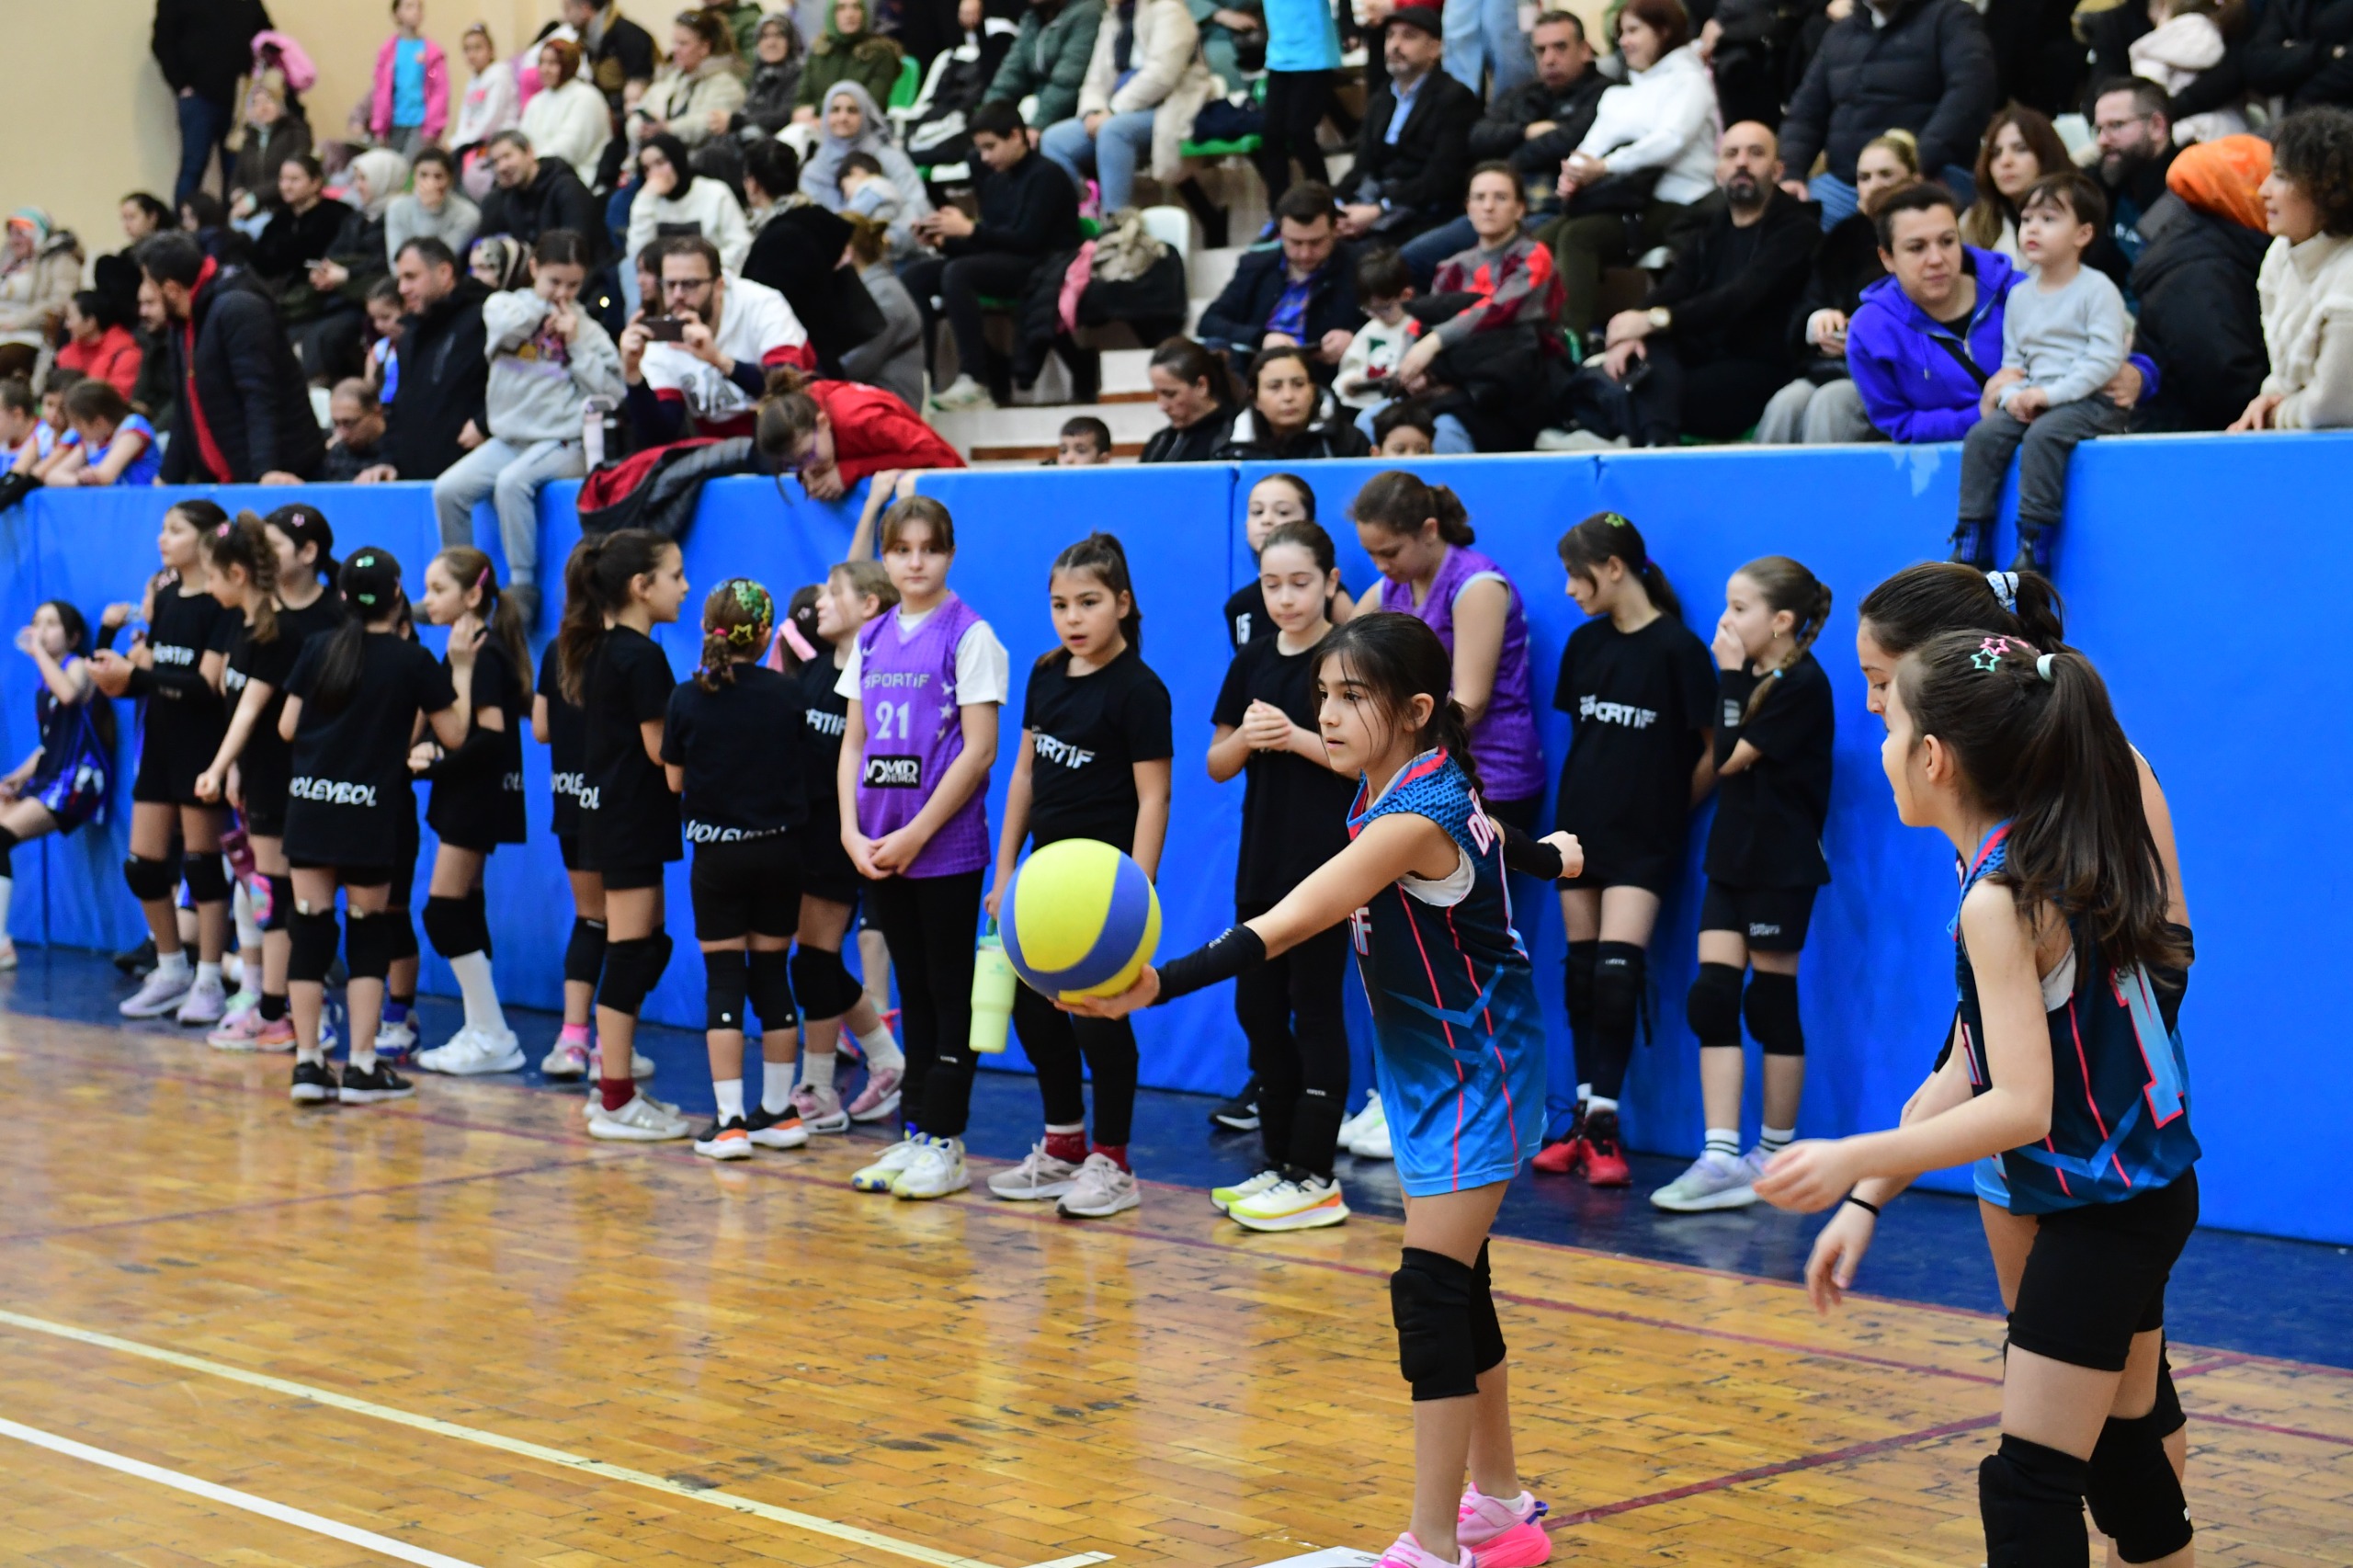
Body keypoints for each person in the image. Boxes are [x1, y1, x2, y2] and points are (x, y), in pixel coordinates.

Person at [1071, 613, 1572, 1568]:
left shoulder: (1409, 817)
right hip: (1431, 1069)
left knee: (1430, 1293)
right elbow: (1493, 830)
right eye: (1324, 696)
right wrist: (1550, 855)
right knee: (1460, 1284)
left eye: (1352, 698)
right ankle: (1501, 1500)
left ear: (1415, 710)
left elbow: (1292, 918)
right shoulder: (1409, 781)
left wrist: (1154, 986)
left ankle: (1434, 1544)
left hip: (1477, 1073)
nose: (1328, 715)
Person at [1757, 633, 2200, 1568]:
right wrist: (1867, 1193)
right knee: (2122, 1454)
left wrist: (1848, 1155)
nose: (1880, 743)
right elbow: (1973, 1062)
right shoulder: (2043, 851)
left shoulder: (1999, 897)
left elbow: (2022, 1105)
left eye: (1891, 724)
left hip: (2102, 1207)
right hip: (2144, 1191)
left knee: (2029, 1485)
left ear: (1934, 758)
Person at [985, 535, 1171, 1219]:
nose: (1073, 618)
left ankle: (1114, 1164)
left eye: (1088, 602)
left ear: (1122, 603)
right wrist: (1006, 869)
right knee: (1034, 1011)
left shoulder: (1140, 691)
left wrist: (1138, 892)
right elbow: (1024, 776)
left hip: (1102, 893)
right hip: (1041, 885)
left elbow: (1154, 796)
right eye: (1060, 605)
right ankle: (1063, 1145)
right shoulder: (1045, 674)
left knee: (1099, 1020)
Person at [1535, 513, 1716, 1187]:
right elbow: (1583, 742)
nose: (1568, 589)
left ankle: (1605, 1126)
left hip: (1644, 840)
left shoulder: (1678, 649)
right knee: (1581, 975)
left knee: (1617, 977)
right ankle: (1582, 1118)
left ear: (1613, 568)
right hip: (1579, 834)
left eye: (1575, 575)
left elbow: (1713, 751)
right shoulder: (1584, 644)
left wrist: (1668, 810)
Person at [835, 496, 1007, 1201]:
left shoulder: (971, 635)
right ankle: (915, 1133)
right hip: (878, 843)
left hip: (943, 847)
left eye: (929, 549)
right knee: (910, 987)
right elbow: (853, 742)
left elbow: (980, 751)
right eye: (902, 550)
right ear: (885, 557)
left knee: (947, 990)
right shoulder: (871, 636)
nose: (915, 562)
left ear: (950, 554)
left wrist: (916, 834)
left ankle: (946, 1140)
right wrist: (850, 830)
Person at [1649, 557, 1834, 1212]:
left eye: (1739, 608)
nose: (1725, 621)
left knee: (1771, 1004)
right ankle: (1720, 1155)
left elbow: (1726, 758)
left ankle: (1775, 1153)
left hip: (1780, 866)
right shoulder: (1750, 676)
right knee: (1713, 998)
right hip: (1730, 858)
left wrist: (1726, 676)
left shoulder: (1802, 683)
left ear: (1781, 621)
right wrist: (1733, 677)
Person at [1202, 518, 1363, 1221]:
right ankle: (1277, 1163)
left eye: (1300, 583)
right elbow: (1216, 764)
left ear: (1330, 581)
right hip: (1262, 862)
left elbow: (1365, 763)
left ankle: (1314, 1173)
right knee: (1257, 1009)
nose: (1286, 597)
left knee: (1315, 1007)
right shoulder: (1252, 661)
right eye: (1272, 584)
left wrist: (1296, 737)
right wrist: (1245, 737)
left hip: (1328, 866)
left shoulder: (1348, 661)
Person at [275, 548, 466, 1106]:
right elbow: (455, 736)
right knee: (367, 932)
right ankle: (361, 1066)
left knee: (309, 930)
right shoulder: (412, 660)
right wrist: (460, 668)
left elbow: (287, 726)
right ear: (398, 594)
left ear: (341, 598)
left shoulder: (318, 648)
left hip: (310, 808)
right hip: (369, 813)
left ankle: (308, 1063)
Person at [656, 579, 814, 1158]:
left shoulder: (687, 697)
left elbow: (674, 780)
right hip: (781, 852)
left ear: (707, 629)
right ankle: (779, 1113)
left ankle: (729, 1121)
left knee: (725, 976)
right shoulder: (788, 693)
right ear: (767, 635)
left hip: (719, 857)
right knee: (772, 974)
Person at [189, 511, 347, 1051]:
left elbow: (252, 710)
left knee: (280, 899)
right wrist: (235, 768)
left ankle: (284, 1014)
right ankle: (275, 1006)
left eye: (212, 577)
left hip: (285, 781)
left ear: (236, 575)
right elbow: (236, 703)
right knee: (266, 898)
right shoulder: (244, 625)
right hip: (256, 778)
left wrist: (216, 766)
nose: (208, 588)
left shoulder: (279, 633)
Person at [559, 529, 697, 1140]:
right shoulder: (640, 657)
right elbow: (661, 753)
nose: (685, 587)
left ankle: (613, 1085)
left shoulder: (607, 648)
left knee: (645, 947)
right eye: (675, 575)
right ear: (641, 586)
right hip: (627, 820)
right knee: (629, 952)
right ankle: (614, 1095)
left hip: (617, 817)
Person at [1570, 121, 1818, 447]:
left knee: (1649, 388)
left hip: (1759, 365)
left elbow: (1737, 298)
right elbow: (1676, 284)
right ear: (1718, 172)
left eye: (1756, 153)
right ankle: (1657, 440)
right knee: (1648, 354)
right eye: (1731, 154)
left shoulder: (1797, 230)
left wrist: (1654, 320)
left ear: (1777, 170)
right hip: (1703, 354)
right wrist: (1630, 328)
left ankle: (1651, 438)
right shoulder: (1714, 226)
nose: (1742, 162)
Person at [1846, 184, 2154, 444]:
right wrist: (1979, 414)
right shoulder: (1870, 329)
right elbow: (1899, 424)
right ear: (1887, 258)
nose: (1936, 258)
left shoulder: (2018, 290)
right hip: (1949, 471)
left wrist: (2139, 375)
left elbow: (2123, 349)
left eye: (1947, 241)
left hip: (2059, 449)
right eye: (1917, 248)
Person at [86, 506, 237, 1024]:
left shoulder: (220, 603)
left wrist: (139, 677)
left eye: (175, 530)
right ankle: (171, 968)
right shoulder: (168, 597)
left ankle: (210, 979)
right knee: (144, 865)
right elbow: (151, 673)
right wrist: (118, 673)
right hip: (160, 743)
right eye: (162, 528)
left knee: (202, 867)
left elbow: (206, 685)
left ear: (207, 540)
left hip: (202, 745)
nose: (162, 538)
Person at [433, 232, 618, 627]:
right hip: (509, 438)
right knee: (448, 490)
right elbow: (504, 329)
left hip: (562, 440)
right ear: (534, 268)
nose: (562, 293)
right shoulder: (503, 305)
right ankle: (456, 584)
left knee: (511, 484)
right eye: (554, 281)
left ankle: (522, 590)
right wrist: (541, 310)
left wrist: (576, 343)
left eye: (573, 285)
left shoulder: (586, 327)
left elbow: (613, 391)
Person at [1955, 172, 2131, 573]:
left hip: (2091, 401)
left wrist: (2048, 396)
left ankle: (2034, 543)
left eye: (2049, 219)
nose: (2032, 228)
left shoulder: (2097, 289)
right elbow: (2013, 363)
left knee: (2044, 436)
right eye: (2027, 219)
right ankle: (1972, 538)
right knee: (1983, 435)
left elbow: (2104, 360)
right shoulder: (2019, 295)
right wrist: (2010, 397)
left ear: (2083, 234)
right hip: (2035, 397)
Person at [790, 561, 914, 1126]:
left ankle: (823, 1086)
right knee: (811, 963)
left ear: (868, 606)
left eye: (833, 592)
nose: (819, 602)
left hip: (845, 840)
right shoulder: (814, 673)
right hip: (801, 837)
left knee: (816, 961)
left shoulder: (882, 679)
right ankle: (878, 1062)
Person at [404, 546, 535, 1075]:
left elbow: (490, 738)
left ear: (473, 595)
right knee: (467, 907)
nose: (428, 600)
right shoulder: (465, 649)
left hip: (475, 798)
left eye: (439, 589)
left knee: (443, 911)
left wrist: (434, 766)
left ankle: (493, 1033)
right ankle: (481, 1027)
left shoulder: (483, 653)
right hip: (467, 793)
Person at [1353, 472, 1543, 830]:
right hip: (1427, 775)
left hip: (1494, 778)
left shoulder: (1477, 586)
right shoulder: (1391, 586)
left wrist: (1391, 739)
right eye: (1371, 554)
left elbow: (1471, 703)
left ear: (1429, 530)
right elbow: (1346, 652)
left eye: (1389, 552)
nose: (1380, 565)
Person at [1538, 0, 1720, 347]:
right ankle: (1530, 334)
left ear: (1663, 31)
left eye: (1634, 30)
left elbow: (1671, 139)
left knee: (1579, 236)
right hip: (1626, 201)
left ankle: (1571, 342)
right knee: (1541, 239)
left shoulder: (1689, 80)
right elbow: (1591, 147)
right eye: (1621, 33)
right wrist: (1572, 175)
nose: (1623, 41)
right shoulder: (1622, 92)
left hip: (1681, 204)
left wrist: (1606, 166)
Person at [906, 100, 1082, 413]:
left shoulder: (1047, 175)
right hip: (1008, 260)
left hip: (1045, 265)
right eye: (980, 149)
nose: (985, 157)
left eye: (990, 147)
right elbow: (991, 242)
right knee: (916, 276)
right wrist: (945, 242)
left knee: (959, 273)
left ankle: (975, 380)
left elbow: (1027, 241)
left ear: (1015, 135)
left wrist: (969, 230)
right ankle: (925, 379)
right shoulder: (997, 177)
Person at [1407, 11, 1607, 282]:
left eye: (1560, 47)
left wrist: (1510, 155)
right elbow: (1478, 137)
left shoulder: (1605, 95)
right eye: (1541, 50)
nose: (1549, 59)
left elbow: (1566, 142)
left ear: (1584, 50)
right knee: (1410, 260)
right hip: (1493, 207)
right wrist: (1525, 131)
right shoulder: (1523, 93)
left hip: (1551, 210)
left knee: (1495, 273)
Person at [1390, 164, 1567, 450]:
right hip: (1457, 383)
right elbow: (1423, 320)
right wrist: (1410, 366)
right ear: (1468, 208)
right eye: (1479, 198)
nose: (1488, 207)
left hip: (1521, 387)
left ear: (1520, 209)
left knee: (1443, 428)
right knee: (1372, 420)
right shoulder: (1452, 267)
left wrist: (1433, 342)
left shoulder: (1534, 256)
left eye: (1500, 198)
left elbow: (1499, 309)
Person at [1758, 131, 1919, 446]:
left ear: (1913, 181)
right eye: (1865, 177)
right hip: (1832, 366)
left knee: (1831, 403)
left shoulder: (1922, 239)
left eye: (1886, 174)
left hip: (1891, 376)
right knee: (1785, 404)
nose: (1875, 185)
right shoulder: (1843, 237)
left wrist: (1859, 339)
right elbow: (1809, 303)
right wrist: (1817, 321)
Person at [1775, 0, 1997, 228]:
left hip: (1929, 173)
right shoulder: (1840, 34)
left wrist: (1917, 162)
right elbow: (1805, 114)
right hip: (1845, 184)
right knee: (1794, 226)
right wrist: (1792, 172)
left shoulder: (1950, 18)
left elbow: (1970, 94)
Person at [141, 233, 322, 485]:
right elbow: (186, 410)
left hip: (279, 477)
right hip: (227, 481)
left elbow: (259, 396)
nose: (142, 292)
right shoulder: (182, 322)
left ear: (171, 289)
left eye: (148, 283)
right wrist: (168, 479)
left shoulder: (239, 307)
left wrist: (266, 471)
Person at [0, 601, 117, 972]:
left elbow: (70, 694)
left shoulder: (75, 665)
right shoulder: (44, 677)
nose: (40, 630)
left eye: (51, 624)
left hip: (78, 781)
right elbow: (48, 744)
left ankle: (1, 944)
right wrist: (19, 776)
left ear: (74, 636)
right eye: (36, 623)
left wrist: (37, 651)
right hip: (51, 776)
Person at [2133, 134, 2275, 431]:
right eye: (2266, 179)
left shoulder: (2220, 245)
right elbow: (2223, 380)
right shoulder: (2197, 268)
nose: (2271, 191)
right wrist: (2279, 412)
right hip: (2196, 445)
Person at [2227, 107, 2353, 433]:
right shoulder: (2280, 254)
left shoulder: (2348, 277)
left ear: (2329, 189)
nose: (2264, 190)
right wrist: (2267, 399)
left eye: (2282, 177)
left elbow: (2333, 409)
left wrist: (2273, 416)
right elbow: (2284, 376)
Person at [622, 236, 813, 443]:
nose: (677, 295)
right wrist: (633, 374)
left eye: (690, 284)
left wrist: (719, 360)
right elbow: (660, 436)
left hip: (798, 433)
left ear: (719, 286)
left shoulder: (761, 305)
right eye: (670, 285)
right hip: (722, 449)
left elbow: (790, 390)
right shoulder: (663, 337)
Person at [1040, 0, 1215, 217]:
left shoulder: (1169, 9)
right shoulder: (1113, 17)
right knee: (1054, 140)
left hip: (1172, 107)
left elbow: (1162, 77)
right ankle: (1082, 213)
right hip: (1118, 111)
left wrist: (1113, 110)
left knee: (1114, 130)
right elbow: (1095, 79)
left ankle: (1116, 221)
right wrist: (1092, 111)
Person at [1336, 7, 1480, 247]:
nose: (1395, 45)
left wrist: (1379, 209)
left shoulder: (1454, 99)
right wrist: (1335, 207)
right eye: (1390, 35)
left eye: (1408, 36)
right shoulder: (1382, 98)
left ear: (1435, 48)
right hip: (1376, 203)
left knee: (1356, 256)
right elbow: (1362, 167)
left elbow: (1441, 180)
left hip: (1425, 214)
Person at [357, 238, 493, 483]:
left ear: (444, 272)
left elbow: (515, 385)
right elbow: (399, 409)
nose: (402, 289)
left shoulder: (487, 319)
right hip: (415, 484)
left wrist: (484, 424)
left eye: (411, 277)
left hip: (470, 483)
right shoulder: (410, 336)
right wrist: (387, 460)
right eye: (400, 279)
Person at [1197, 183, 1366, 379]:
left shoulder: (1361, 266)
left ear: (1335, 229)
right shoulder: (1256, 264)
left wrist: (1355, 338)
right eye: (1295, 242)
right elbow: (1210, 323)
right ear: (1280, 234)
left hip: (1323, 374)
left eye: (1316, 242)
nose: (1305, 253)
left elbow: (1388, 318)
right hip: (1256, 371)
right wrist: (1263, 338)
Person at [753, 369, 965, 504]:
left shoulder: (860, 418)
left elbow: (935, 454)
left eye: (807, 455)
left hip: (954, 488)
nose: (809, 469)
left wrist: (850, 470)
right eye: (795, 464)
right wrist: (805, 471)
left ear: (823, 422)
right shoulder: (803, 411)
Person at [153, 0, 274, 203]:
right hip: (198, 98)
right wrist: (180, 84)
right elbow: (162, 42)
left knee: (237, 172)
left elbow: (266, 34)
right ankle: (186, 222)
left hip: (240, 99)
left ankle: (231, 223)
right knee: (193, 167)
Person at [801, 83, 935, 261]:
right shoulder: (814, 171)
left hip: (896, 253)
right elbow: (816, 222)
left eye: (852, 110)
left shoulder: (891, 157)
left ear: (865, 114)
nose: (843, 117)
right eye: (835, 110)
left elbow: (917, 205)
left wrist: (888, 239)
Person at [624, 134, 756, 278]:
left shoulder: (715, 193)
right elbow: (638, 255)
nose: (655, 174)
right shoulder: (648, 202)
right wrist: (645, 200)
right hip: (666, 283)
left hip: (713, 277)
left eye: (660, 163)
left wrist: (700, 269)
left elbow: (742, 245)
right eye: (647, 169)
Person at [1255, 0, 1345, 205]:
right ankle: (1279, 211)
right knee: (1271, 135)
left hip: (1315, 55)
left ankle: (1323, 205)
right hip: (1278, 57)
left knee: (1300, 132)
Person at [1215, 343, 1373, 458]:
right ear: (1255, 398)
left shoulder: (1348, 441)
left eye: (1298, 384)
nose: (1288, 396)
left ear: (1314, 390)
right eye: (1275, 387)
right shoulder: (1230, 448)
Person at [839, 216, 928, 413]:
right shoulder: (869, 288)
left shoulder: (883, 295)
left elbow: (852, 366)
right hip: (869, 404)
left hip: (889, 412)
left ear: (847, 252)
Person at [476, 131, 608, 263]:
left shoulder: (567, 187)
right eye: (495, 162)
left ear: (529, 152)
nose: (502, 167)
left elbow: (578, 248)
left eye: (507, 156)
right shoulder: (503, 201)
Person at [1960, 105, 2071, 262]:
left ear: (2047, 156)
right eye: (1996, 153)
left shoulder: (2075, 212)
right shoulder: (1972, 222)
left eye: (2021, 149)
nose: (2005, 161)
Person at [2088, 77, 2178, 269]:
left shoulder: (2190, 192)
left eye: (2116, 125)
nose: (2102, 140)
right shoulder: (2097, 186)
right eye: (2099, 129)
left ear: (2157, 126)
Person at [2129, 0, 2246, 144]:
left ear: (2164, 7)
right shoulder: (2228, 37)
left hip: (2185, 137)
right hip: (2234, 132)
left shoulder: (2152, 48)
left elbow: (2150, 100)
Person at [985, 0, 1103, 134]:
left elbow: (1067, 82)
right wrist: (986, 121)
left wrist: (1037, 126)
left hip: (1073, 113)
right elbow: (1010, 76)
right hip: (1038, 109)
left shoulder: (1087, 11)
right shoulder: (1031, 18)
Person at [520, 41, 614, 187]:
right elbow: (522, 140)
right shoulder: (537, 101)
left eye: (552, 63)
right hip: (536, 176)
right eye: (541, 63)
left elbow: (569, 149)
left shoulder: (586, 97)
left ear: (568, 65)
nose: (544, 69)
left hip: (576, 180)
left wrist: (530, 167)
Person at [1336, 246, 1417, 411]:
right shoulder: (1371, 330)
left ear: (1406, 295)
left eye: (1385, 308)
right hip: (1364, 404)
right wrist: (1350, 382)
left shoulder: (1416, 325)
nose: (1377, 315)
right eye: (1369, 310)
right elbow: (1350, 367)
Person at [797, 0, 907, 120]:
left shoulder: (880, 53)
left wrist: (817, 111)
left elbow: (871, 104)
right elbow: (800, 103)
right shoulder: (819, 51)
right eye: (841, 8)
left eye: (856, 7)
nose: (849, 14)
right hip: (814, 126)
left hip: (864, 127)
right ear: (831, 14)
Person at [226, 82, 314, 232]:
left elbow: (294, 176)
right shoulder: (250, 139)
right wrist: (236, 193)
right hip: (251, 211)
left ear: (280, 103)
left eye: (268, 100)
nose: (263, 108)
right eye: (256, 103)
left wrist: (253, 198)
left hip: (283, 210)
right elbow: (236, 177)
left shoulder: (295, 132)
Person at [369, 0, 450, 156]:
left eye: (419, 7)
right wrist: (379, 127)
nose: (416, 11)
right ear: (397, 14)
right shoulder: (388, 52)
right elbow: (381, 91)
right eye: (409, 7)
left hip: (420, 124)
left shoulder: (431, 53)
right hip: (394, 123)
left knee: (411, 163)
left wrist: (433, 127)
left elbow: (439, 90)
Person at [1138, 336, 1239, 462]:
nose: (1162, 406)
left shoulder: (1235, 436)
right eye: (1156, 394)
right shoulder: (1159, 442)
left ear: (1201, 386)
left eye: (1170, 394)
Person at [2242, 0, 2353, 115]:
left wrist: (2295, 53)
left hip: (2342, 113)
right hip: (2294, 118)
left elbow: (2348, 67)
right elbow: (2257, 65)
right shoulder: (2289, 5)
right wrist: (2325, 53)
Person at [49, 381, 161, 488]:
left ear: (99, 422)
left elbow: (105, 476)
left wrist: (88, 477)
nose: (74, 430)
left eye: (78, 424)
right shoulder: (93, 441)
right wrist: (78, 481)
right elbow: (52, 476)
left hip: (147, 497)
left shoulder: (133, 428)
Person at [388, 148, 482, 266]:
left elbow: (435, 261)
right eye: (423, 175)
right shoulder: (397, 208)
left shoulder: (468, 215)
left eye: (438, 176)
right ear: (414, 177)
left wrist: (432, 211)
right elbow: (395, 262)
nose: (431, 183)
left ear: (450, 180)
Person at [452, 23, 522, 176]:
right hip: (474, 141)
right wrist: (456, 141)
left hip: (500, 139)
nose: (472, 54)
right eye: (467, 49)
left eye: (477, 48)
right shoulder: (472, 81)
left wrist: (461, 142)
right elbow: (465, 117)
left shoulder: (500, 75)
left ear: (491, 50)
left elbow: (491, 119)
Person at [564, 0, 659, 108]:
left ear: (585, 9)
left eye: (568, 10)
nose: (565, 18)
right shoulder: (589, 41)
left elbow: (642, 87)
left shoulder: (630, 36)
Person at [735, 14, 806, 135]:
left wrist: (739, 121)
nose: (771, 43)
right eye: (764, 36)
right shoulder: (756, 75)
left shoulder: (799, 74)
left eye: (779, 36)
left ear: (791, 41)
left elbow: (784, 116)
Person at [321, 380, 391, 481]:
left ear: (377, 412)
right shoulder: (335, 452)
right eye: (336, 424)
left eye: (349, 423)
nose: (341, 434)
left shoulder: (399, 449)